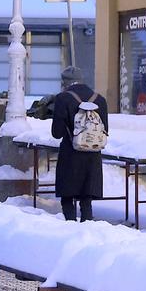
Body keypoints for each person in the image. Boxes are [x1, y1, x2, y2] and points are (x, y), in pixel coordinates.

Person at [50, 66, 110, 222]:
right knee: (86, 197)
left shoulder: (63, 98)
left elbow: (57, 133)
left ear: (65, 82)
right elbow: (105, 130)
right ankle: (87, 227)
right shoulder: (100, 99)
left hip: (71, 153)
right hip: (93, 154)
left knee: (67, 196)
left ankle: (70, 226)